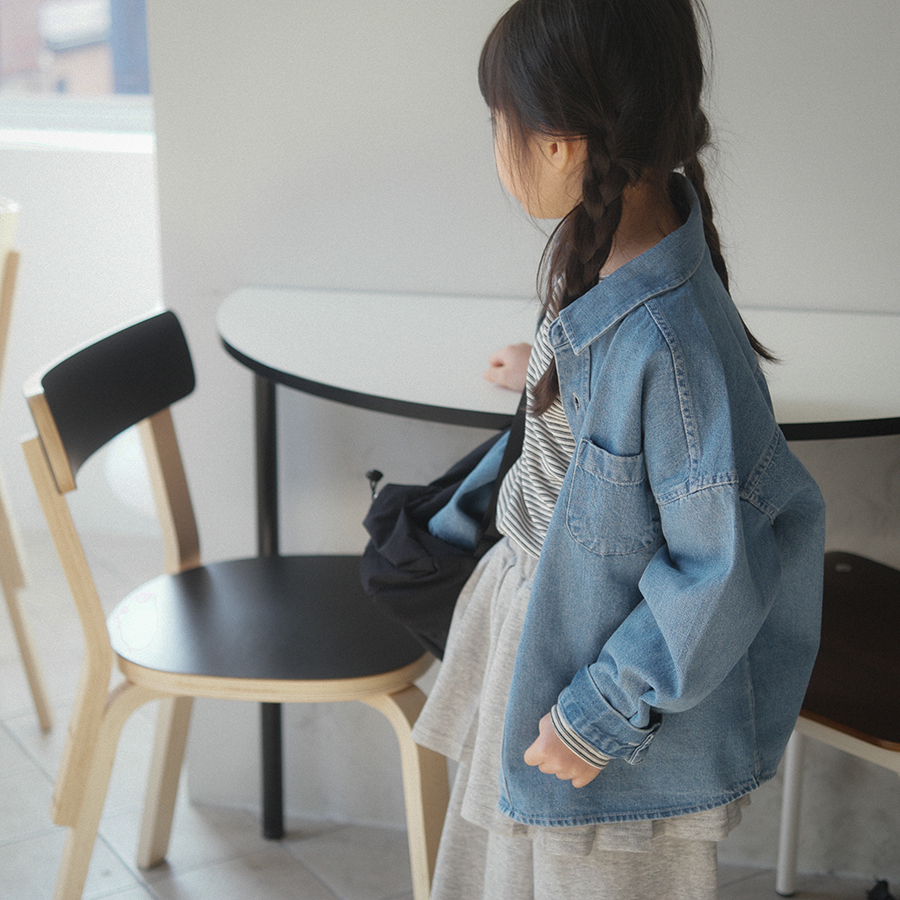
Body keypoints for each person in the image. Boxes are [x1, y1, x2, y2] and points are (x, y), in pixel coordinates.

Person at [411, 1, 826, 898]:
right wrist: (551, 373)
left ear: (563, 146)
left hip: (604, 694)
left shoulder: (668, 345)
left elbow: (720, 566)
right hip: (552, 631)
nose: (497, 149)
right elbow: (619, 412)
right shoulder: (620, 243)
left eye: (500, 124)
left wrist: (597, 715)